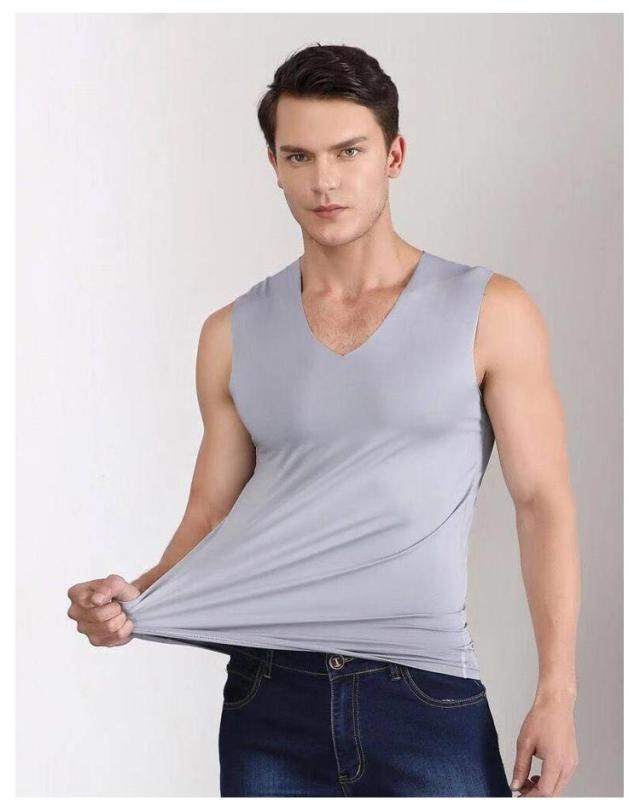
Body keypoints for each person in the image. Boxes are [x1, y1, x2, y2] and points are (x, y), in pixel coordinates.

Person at [66, 43, 580, 797]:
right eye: (299, 157)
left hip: (424, 689)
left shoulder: (489, 311)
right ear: (274, 166)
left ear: (394, 155)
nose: (324, 181)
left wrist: (556, 692)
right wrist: (132, 600)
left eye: (349, 152)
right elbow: (209, 516)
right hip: (268, 697)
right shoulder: (231, 333)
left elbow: (542, 504)